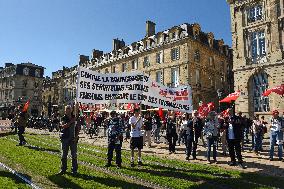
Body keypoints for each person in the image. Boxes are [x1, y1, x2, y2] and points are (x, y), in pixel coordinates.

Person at [58, 105, 79, 175]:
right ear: (65, 110)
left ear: (71, 110)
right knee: (64, 154)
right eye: (67, 109)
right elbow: (64, 126)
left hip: (73, 139)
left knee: (74, 155)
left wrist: (76, 136)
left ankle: (74, 169)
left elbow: (77, 127)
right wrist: (71, 122)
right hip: (65, 138)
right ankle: (63, 169)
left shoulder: (74, 117)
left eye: (69, 109)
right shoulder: (63, 118)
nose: (68, 110)